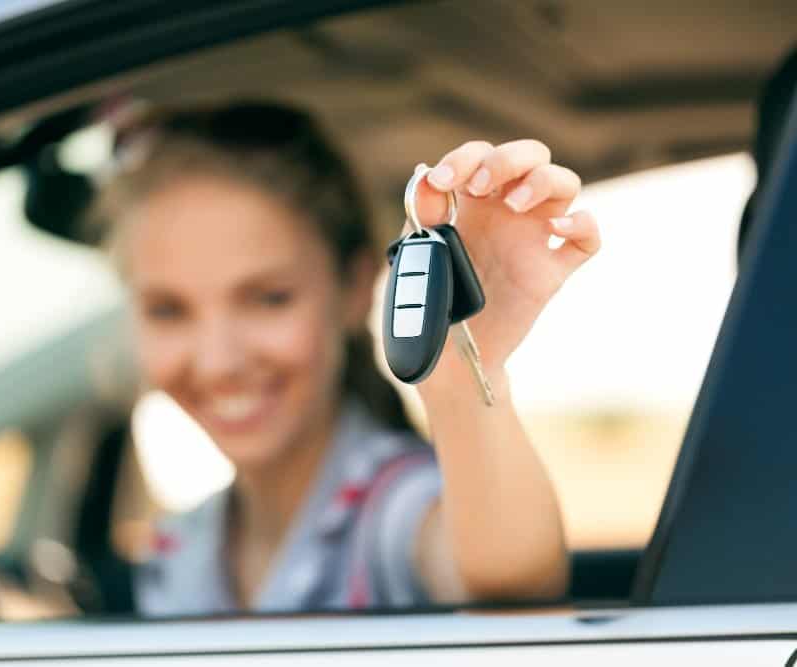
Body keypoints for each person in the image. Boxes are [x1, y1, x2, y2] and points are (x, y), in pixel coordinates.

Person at [88, 101, 600, 616]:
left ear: (354, 288)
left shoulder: (395, 508)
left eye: (269, 298)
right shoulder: (177, 547)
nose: (218, 361)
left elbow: (511, 583)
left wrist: (462, 364)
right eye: (168, 310)